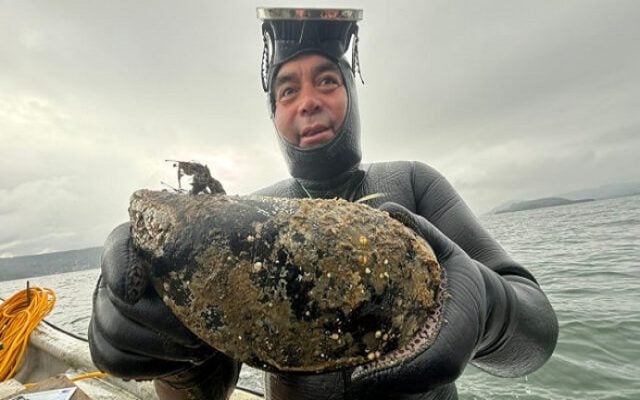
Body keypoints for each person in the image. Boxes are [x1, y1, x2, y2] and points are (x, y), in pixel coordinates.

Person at [88, 8, 559, 400]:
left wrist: (490, 308)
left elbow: (535, 336)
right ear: (273, 114)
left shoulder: (410, 183)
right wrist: (168, 354)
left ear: (351, 94)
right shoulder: (245, 227)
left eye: (328, 80)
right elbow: (204, 392)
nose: (308, 101)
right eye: (287, 90)